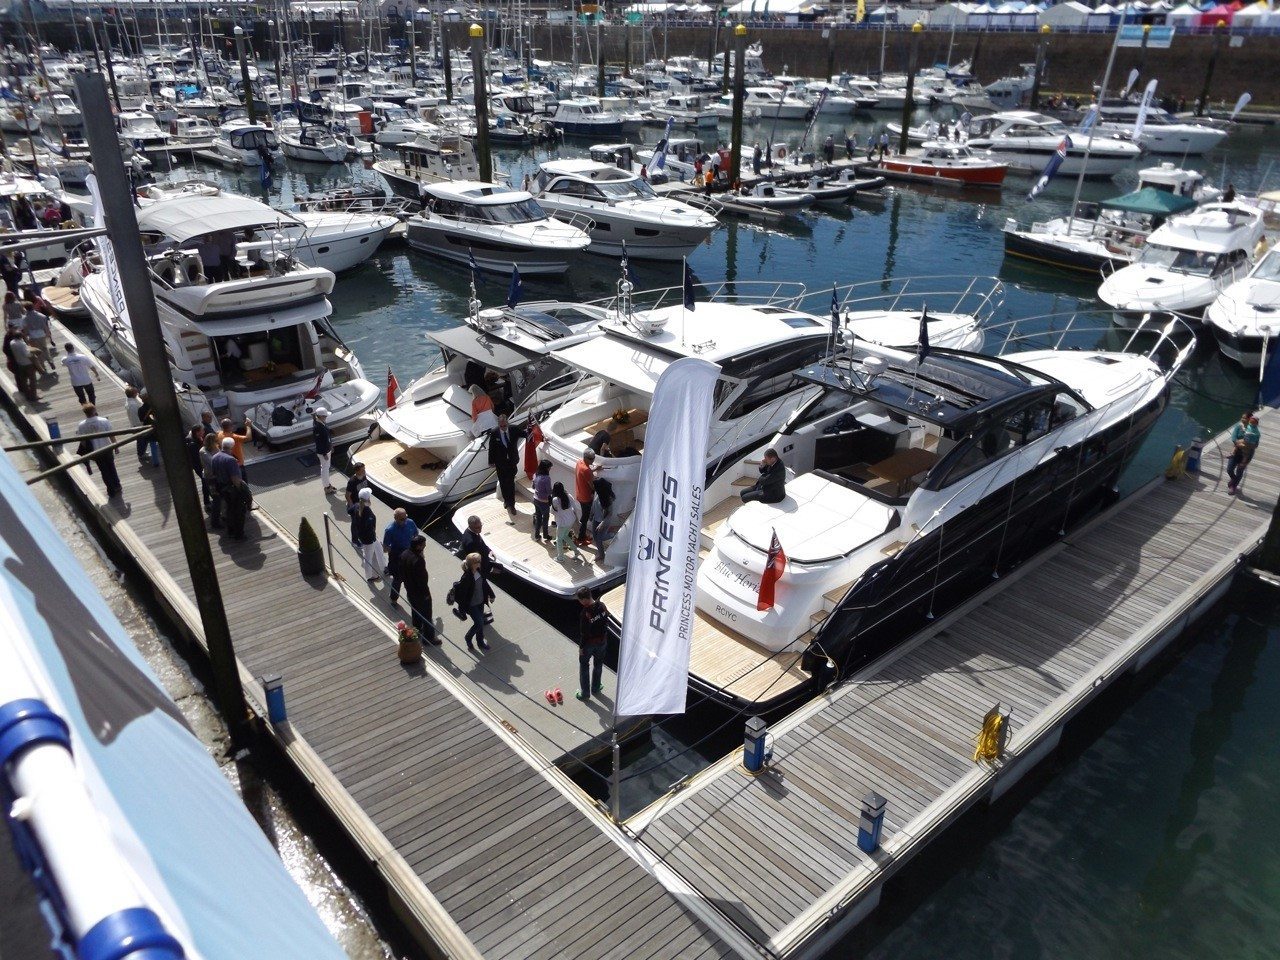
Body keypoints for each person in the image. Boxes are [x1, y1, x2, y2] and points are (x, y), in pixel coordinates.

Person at [77, 404, 122, 498]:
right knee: (111, 467)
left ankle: (110, 489)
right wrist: (116, 446)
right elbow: (111, 435)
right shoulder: (104, 421)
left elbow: (83, 441)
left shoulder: (81, 425)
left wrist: (87, 452)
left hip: (95, 451)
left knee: (103, 470)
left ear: (85, 413)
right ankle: (117, 485)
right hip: (107, 447)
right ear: (94, 411)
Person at [487, 412, 525, 523]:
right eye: (501, 426)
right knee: (503, 483)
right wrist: (491, 461)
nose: (503, 428)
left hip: (512, 462)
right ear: (498, 425)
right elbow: (491, 448)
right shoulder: (494, 432)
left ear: (507, 423)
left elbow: (526, 434)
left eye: (504, 425)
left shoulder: (514, 429)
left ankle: (512, 505)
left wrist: (537, 434)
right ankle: (506, 501)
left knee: (510, 484)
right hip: (500, 463)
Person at [452, 553, 495, 652]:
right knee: (479, 623)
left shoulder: (479, 571)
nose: (480, 563)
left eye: (480, 561)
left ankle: (480, 642)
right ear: (472, 564)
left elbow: (484, 583)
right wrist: (461, 610)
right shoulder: (466, 578)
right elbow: (462, 596)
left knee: (480, 623)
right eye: (478, 561)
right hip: (472, 605)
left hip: (480, 602)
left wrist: (491, 595)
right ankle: (468, 637)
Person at [401, 534, 439, 644]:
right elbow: (422, 579)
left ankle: (417, 629)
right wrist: (426, 594)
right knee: (427, 615)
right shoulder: (418, 560)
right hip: (421, 593)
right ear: (418, 546)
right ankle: (429, 638)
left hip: (410, 589)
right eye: (423, 545)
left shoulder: (404, 554)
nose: (424, 547)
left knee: (415, 610)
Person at [576, 586, 607, 702]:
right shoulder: (602, 606)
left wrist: (581, 647)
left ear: (584, 600)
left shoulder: (585, 613)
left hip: (589, 644)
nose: (580, 602)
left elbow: (584, 633)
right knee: (598, 664)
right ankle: (596, 687)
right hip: (602, 641)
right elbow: (605, 622)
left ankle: (585, 694)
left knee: (584, 666)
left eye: (580, 600)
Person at [383, 508, 419, 606]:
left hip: (410, 557)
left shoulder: (410, 522)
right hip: (397, 559)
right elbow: (385, 548)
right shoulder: (390, 530)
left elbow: (416, 535)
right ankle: (393, 598)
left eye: (405, 518)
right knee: (397, 580)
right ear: (396, 518)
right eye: (402, 519)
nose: (405, 521)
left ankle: (412, 598)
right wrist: (394, 551)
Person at [347, 488, 385, 583]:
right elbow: (370, 525)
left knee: (379, 549)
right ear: (368, 499)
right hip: (369, 538)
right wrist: (372, 535)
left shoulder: (356, 506)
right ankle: (370, 576)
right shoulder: (367, 512)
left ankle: (384, 567)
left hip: (364, 536)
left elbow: (349, 511)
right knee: (368, 557)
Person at [209, 437, 242, 528]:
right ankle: (233, 528)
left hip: (220, 486)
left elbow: (213, 473)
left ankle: (224, 525)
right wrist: (240, 489)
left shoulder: (214, 457)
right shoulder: (230, 460)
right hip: (230, 488)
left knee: (223, 506)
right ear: (232, 446)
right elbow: (234, 478)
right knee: (232, 508)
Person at [1227, 412, 1261, 494]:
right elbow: (1234, 438)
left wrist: (1250, 445)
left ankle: (1233, 487)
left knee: (1240, 470)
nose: (1242, 419)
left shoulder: (1254, 430)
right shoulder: (1238, 427)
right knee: (1229, 469)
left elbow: (1256, 444)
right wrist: (1240, 444)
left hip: (1247, 453)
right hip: (1237, 451)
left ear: (1250, 419)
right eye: (1242, 417)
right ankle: (1234, 479)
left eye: (1245, 418)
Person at [551, 482, 585, 563]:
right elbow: (575, 509)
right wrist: (577, 520)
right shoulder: (569, 496)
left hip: (562, 523)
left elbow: (552, 511)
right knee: (565, 536)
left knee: (559, 539)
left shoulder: (555, 500)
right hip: (571, 520)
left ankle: (560, 558)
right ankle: (576, 551)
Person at [589, 477, 617, 564]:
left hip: (604, 521)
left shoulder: (608, 499)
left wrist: (602, 523)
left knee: (600, 538)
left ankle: (613, 535)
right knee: (595, 537)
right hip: (596, 519)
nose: (594, 488)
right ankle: (601, 554)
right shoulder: (598, 493)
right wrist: (591, 515)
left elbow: (609, 514)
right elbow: (594, 505)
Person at [215, 417, 251, 482]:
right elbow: (248, 438)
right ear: (231, 426)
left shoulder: (219, 434)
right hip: (238, 464)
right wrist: (248, 426)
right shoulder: (234, 437)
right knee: (243, 483)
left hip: (227, 462)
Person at [575, 448, 598, 543]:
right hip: (586, 498)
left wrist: (595, 469)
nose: (593, 460)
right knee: (585, 518)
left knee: (584, 517)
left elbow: (586, 472)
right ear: (585, 457)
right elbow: (592, 486)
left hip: (580, 494)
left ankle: (582, 535)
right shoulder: (586, 470)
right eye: (591, 458)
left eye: (593, 458)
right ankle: (581, 538)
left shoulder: (579, 462)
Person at [21, 302, 52, 374]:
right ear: (33, 307)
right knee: (45, 349)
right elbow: (45, 327)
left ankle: (43, 367)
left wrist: (25, 339)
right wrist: (48, 334)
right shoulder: (41, 316)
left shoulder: (25, 318)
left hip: (33, 336)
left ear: (25, 308)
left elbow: (25, 330)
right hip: (42, 334)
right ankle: (50, 361)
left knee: (38, 352)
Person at [222, 473, 252, 541]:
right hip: (240, 506)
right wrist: (249, 506)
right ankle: (239, 536)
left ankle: (231, 532)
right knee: (240, 520)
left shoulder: (226, 487)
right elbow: (249, 496)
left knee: (230, 518)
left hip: (230, 506)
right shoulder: (242, 484)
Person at [10, 333, 38, 401]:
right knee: (32, 380)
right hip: (28, 364)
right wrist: (34, 353)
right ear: (20, 337)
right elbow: (27, 354)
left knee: (24, 381)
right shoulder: (22, 344)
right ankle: (34, 396)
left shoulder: (12, 343)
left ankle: (27, 396)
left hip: (20, 364)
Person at [313, 406, 335, 494]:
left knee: (326, 467)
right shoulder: (318, 427)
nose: (326, 418)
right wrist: (324, 453)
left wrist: (330, 446)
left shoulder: (320, 423)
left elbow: (326, 437)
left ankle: (327, 484)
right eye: (325, 416)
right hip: (324, 452)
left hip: (326, 449)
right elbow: (319, 442)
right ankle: (327, 487)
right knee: (325, 468)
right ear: (321, 416)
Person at [531, 458, 553, 543]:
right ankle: (546, 535)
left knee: (538, 518)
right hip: (544, 502)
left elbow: (533, 486)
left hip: (536, 499)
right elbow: (549, 491)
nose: (550, 469)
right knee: (545, 519)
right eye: (549, 467)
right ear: (546, 468)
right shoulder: (547, 478)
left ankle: (537, 535)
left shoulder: (535, 475)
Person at [199, 433, 219, 513]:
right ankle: (215, 517)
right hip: (210, 477)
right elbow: (212, 462)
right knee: (216, 497)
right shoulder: (203, 451)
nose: (217, 442)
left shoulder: (215, 447)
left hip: (217, 475)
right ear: (211, 442)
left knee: (220, 496)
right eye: (216, 441)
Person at [124, 386, 145, 460]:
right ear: (133, 394)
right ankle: (141, 454)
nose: (137, 393)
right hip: (138, 425)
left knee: (140, 440)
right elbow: (136, 415)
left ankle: (141, 453)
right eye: (136, 393)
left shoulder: (129, 401)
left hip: (134, 424)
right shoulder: (133, 405)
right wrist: (142, 423)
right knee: (141, 440)